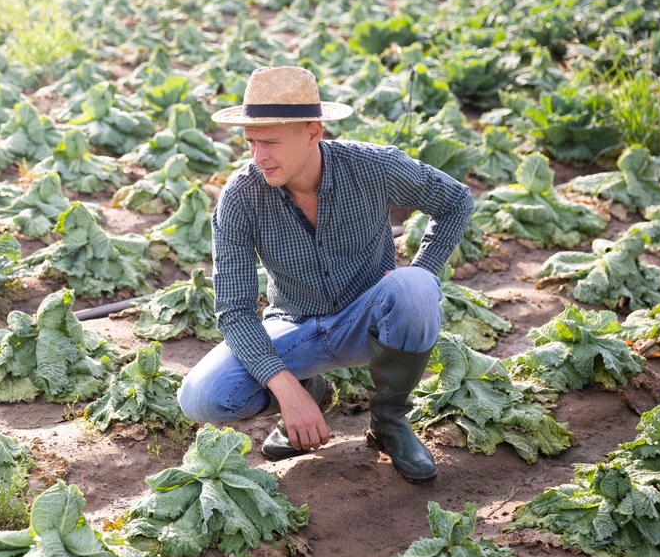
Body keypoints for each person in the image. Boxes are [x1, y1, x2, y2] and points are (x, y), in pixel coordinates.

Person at [176, 66, 474, 482]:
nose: (258, 157)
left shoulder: (371, 167)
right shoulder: (242, 196)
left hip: (366, 322)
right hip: (293, 325)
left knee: (417, 286)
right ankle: (309, 387)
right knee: (202, 397)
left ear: (314, 132)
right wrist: (285, 388)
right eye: (250, 143)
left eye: (270, 143)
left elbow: (456, 201)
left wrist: (418, 278)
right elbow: (235, 310)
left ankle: (389, 422)